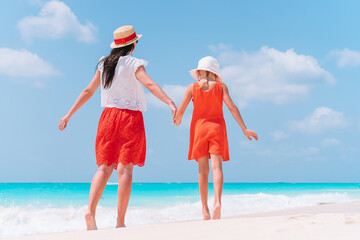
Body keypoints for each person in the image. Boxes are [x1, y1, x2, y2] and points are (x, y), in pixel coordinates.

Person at [58, 25, 177, 230]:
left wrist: (69, 114)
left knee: (104, 167)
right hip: (130, 118)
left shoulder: (104, 64)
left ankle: (90, 211)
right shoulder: (133, 63)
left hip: (107, 117)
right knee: (125, 170)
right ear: (133, 44)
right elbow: (149, 84)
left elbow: (88, 90)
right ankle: (120, 222)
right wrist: (169, 102)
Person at [174, 56, 258, 220]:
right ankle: (217, 202)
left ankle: (205, 209)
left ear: (198, 72)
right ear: (214, 73)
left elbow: (181, 111)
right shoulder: (221, 87)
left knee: (202, 172)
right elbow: (232, 107)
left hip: (199, 130)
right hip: (217, 129)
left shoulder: (192, 88)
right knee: (217, 168)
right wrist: (244, 128)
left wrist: (177, 120)